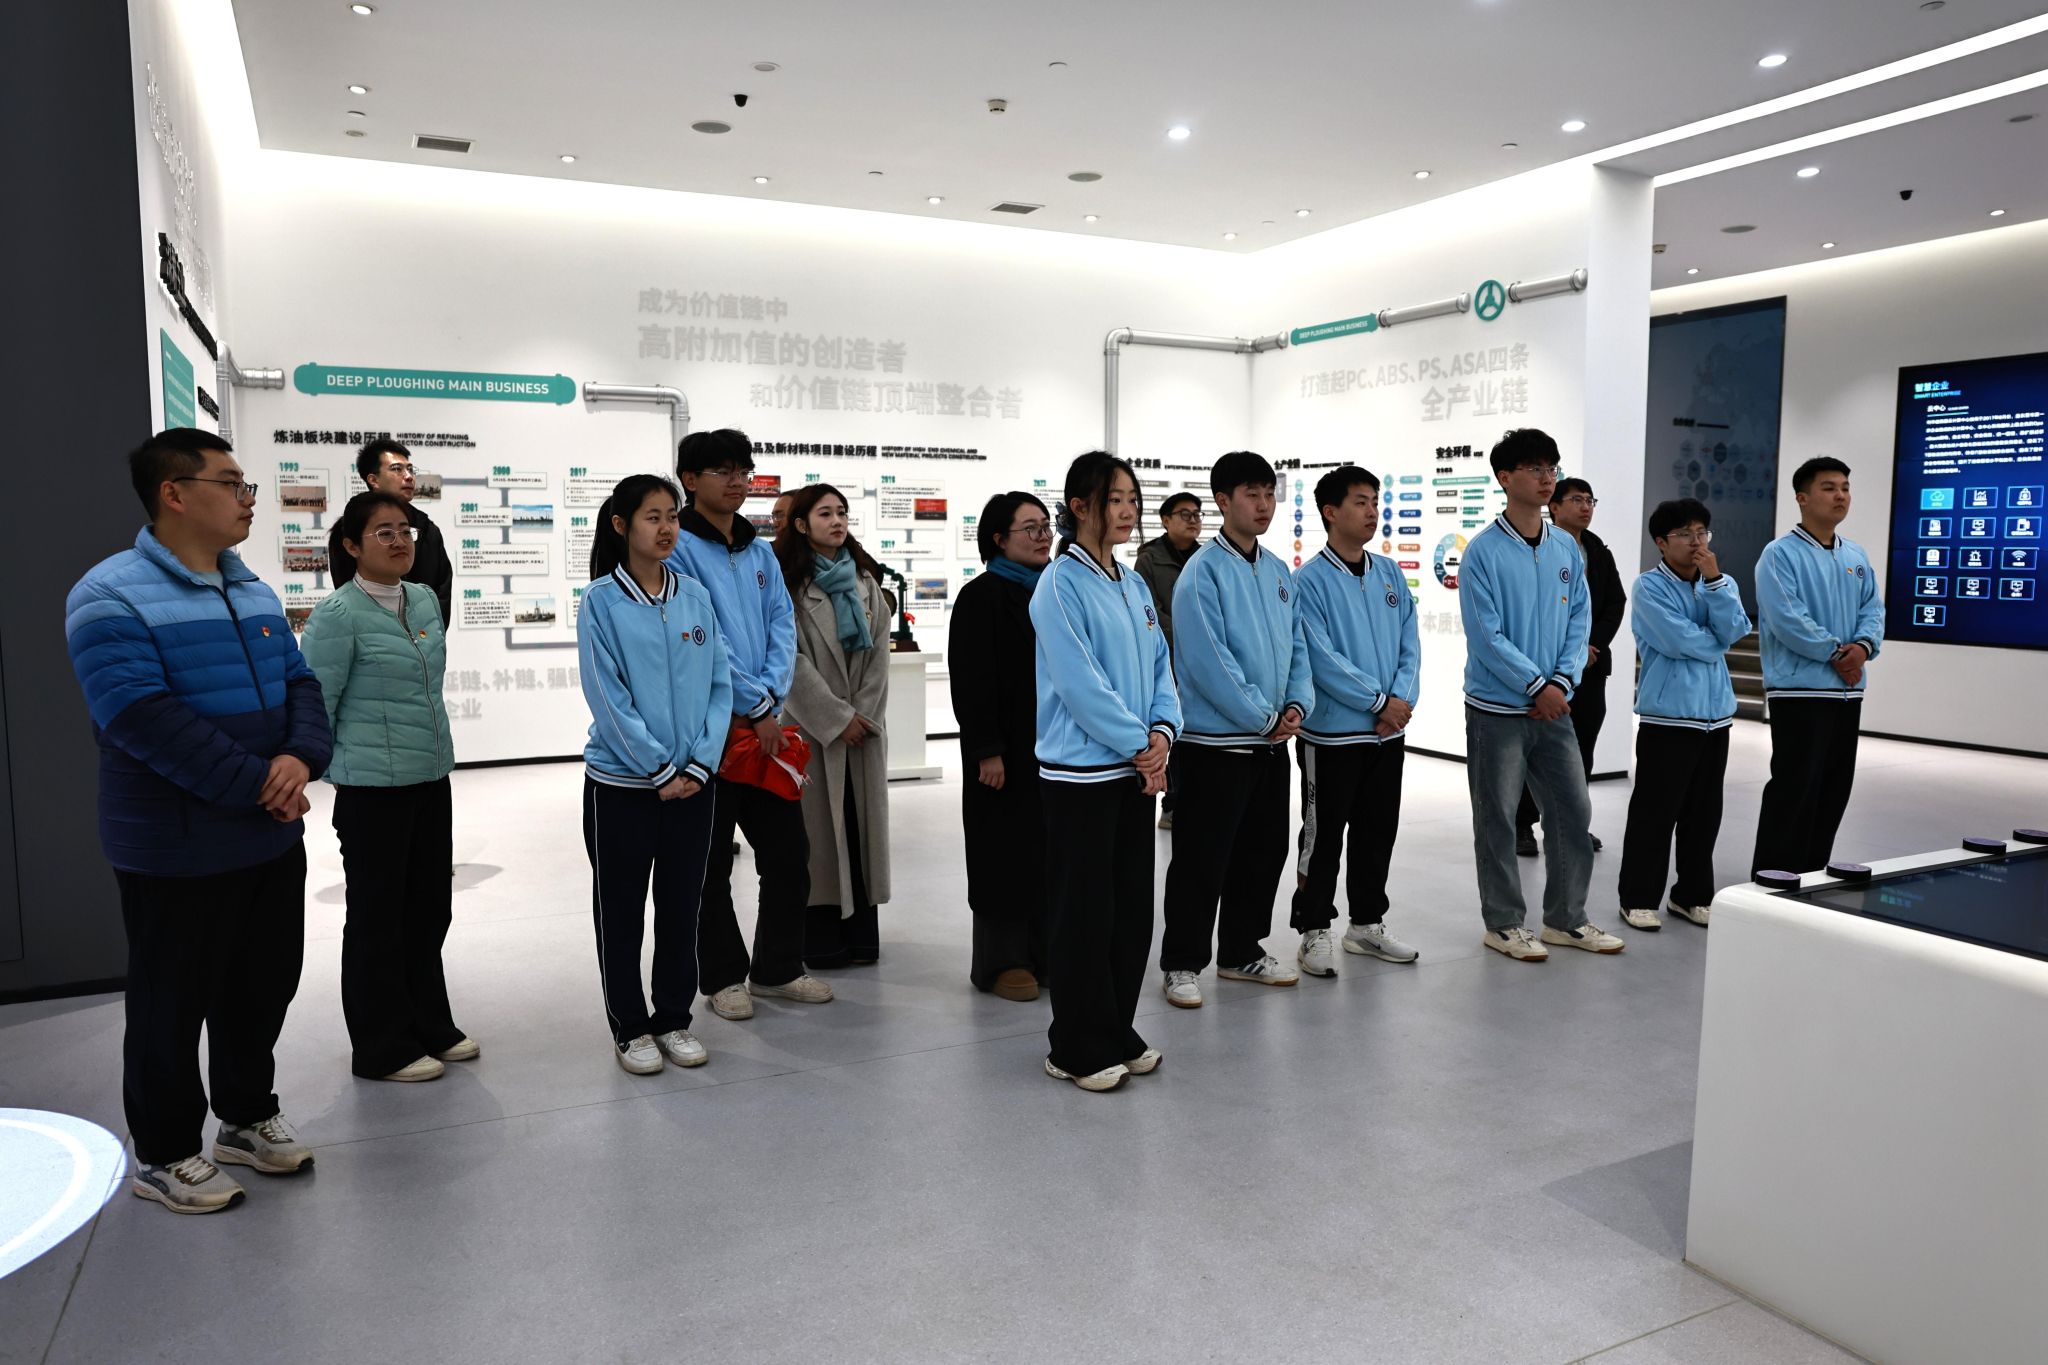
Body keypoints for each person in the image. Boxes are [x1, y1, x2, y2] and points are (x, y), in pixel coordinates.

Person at [64, 429, 333, 1214]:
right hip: (174, 845)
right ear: (174, 493)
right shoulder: (107, 595)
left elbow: (301, 684)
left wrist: (300, 759)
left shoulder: (251, 590)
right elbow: (142, 718)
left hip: (267, 836)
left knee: (263, 984)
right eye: (232, 483)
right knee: (170, 1001)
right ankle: (165, 1150)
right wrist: (262, 783)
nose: (248, 498)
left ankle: (245, 1116)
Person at [300, 491, 471, 1083]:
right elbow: (316, 705)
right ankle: (381, 1045)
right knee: (378, 919)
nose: (400, 542)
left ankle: (430, 1023)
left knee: (430, 909)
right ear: (351, 546)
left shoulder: (421, 599)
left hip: (430, 776)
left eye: (406, 531)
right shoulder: (337, 615)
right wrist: (320, 770)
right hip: (372, 791)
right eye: (384, 532)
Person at [668, 428, 832, 1015]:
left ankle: (778, 968)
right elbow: (702, 635)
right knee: (710, 862)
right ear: (691, 480)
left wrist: (771, 696)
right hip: (709, 732)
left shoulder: (760, 552)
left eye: (744, 470)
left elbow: (783, 626)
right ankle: (721, 978)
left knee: (789, 854)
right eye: (724, 471)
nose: (738, 481)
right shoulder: (679, 550)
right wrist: (755, 704)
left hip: (764, 728)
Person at [1033, 451, 1180, 1091]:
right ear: (1079, 507)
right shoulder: (1059, 583)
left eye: (1132, 500)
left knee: (1129, 912)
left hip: (1132, 772)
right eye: (1113, 499)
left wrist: (1162, 733)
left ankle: (1116, 1027)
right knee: (1083, 915)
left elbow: (1160, 667)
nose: (1127, 511)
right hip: (1081, 777)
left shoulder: (1132, 582)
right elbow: (1079, 682)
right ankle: (1074, 1044)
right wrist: (1139, 745)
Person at [578, 474, 732, 1074]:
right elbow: (606, 697)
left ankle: (672, 1018)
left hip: (694, 783)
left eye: (672, 516)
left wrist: (700, 763)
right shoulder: (601, 601)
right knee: (621, 912)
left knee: (681, 906)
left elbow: (719, 685)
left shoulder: (693, 595)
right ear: (622, 526)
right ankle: (630, 1027)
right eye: (653, 517)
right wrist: (659, 768)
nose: (667, 528)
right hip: (624, 787)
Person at [1461, 429, 1625, 962]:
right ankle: (1504, 923)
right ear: (1505, 478)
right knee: (1497, 818)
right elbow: (1486, 636)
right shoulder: (1483, 552)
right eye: (1534, 468)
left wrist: (1560, 683)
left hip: (1555, 705)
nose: (1547, 477)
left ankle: (1566, 919)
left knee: (1572, 811)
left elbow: (1580, 621)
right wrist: (1537, 685)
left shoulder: (1565, 548)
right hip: (1498, 709)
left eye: (1551, 467)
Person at [1158, 451, 1312, 1008]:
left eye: (1269, 494)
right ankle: (1181, 962)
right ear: (1223, 501)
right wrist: (1263, 717)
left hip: (1269, 745)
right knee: (1202, 859)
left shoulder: (1277, 570)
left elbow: (1297, 646)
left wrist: (1297, 705)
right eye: (1252, 494)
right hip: (1214, 747)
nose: (1264, 505)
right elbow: (1207, 661)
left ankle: (1242, 951)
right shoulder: (1202, 572)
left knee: (1262, 853)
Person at [1290, 465, 1423, 977]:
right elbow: (1320, 658)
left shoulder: (1389, 573)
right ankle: (1313, 928)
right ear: (1331, 512)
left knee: (1377, 831)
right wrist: (1378, 702)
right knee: (1322, 836)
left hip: (1387, 734)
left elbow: (1410, 643)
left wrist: (1401, 700)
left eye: (1374, 501)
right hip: (1333, 736)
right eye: (1361, 502)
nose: (1372, 511)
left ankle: (1366, 924)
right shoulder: (1309, 581)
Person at [1618, 499, 1751, 930]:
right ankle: (1637, 898)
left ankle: (1691, 895)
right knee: (1655, 813)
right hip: (1669, 718)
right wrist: (1715, 640)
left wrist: (1714, 583)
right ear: (1661, 542)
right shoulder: (1649, 587)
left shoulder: (1720, 582)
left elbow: (1737, 629)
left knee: (1704, 814)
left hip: (1715, 718)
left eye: (1701, 533)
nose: (1696, 542)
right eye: (1684, 534)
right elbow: (1681, 641)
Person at [777, 484, 893, 968]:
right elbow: (789, 661)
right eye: (825, 513)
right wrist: (837, 719)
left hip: (863, 731)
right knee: (821, 838)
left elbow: (880, 654)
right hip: (814, 729)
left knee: (860, 829)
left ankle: (862, 935)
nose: (837, 520)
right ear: (801, 525)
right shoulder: (788, 586)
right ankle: (823, 940)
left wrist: (862, 715)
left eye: (841, 512)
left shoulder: (865, 581)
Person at [1750, 457, 1882, 878]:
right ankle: (1773, 879)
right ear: (1802, 498)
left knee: (1833, 788)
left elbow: (1873, 609)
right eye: (1829, 487)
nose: (1840, 495)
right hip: (1800, 690)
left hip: (1846, 692)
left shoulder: (1856, 555)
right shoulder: (1779, 555)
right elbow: (1787, 618)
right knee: (1795, 787)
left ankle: (1811, 875)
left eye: (1845, 487)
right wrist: (1837, 654)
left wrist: (1862, 647)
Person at [949, 491, 1054, 1000]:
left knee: (1047, 852)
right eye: (1030, 528)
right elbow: (971, 680)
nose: (1043, 536)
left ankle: (1046, 953)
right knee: (1003, 855)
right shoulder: (981, 596)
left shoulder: (1056, 591)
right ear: (998, 539)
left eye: (1046, 526)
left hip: (1053, 747)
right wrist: (986, 749)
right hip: (1003, 752)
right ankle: (1002, 962)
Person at [1517, 477, 1625, 856]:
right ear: (1555, 507)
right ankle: (1523, 825)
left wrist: (1592, 645)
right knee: (1534, 750)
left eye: (1590, 500)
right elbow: (1536, 609)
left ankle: (1574, 824)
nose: (1585, 507)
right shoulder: (1537, 547)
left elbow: (1614, 602)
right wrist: (1573, 650)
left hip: (1591, 669)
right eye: (1576, 499)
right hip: (1546, 672)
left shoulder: (1597, 550)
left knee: (1581, 750)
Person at [1133, 491, 1203, 830]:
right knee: (1169, 731)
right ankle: (1171, 804)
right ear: (1165, 520)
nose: (1193, 520)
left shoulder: (1206, 558)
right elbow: (1149, 612)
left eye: (1197, 514)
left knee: (1194, 736)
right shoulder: (1148, 559)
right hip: (1167, 661)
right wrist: (1191, 634)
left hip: (1203, 663)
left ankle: (1191, 800)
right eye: (1184, 514)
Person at [330, 438, 453, 627]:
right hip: (371, 634)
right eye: (397, 469)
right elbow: (348, 590)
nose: (408, 476)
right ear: (373, 480)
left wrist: (429, 635)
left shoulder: (428, 529)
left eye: (410, 469)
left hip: (425, 636)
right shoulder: (351, 528)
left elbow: (442, 591)